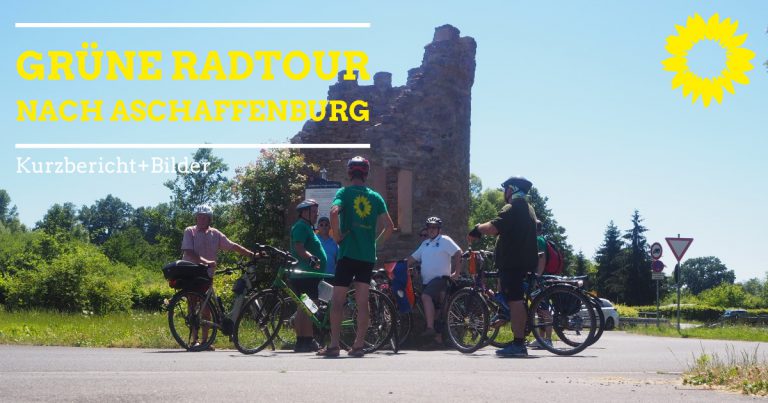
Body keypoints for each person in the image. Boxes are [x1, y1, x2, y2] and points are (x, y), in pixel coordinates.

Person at [317, 156, 394, 357]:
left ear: (350, 173)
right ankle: (358, 346)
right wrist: (374, 244)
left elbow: (334, 212)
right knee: (362, 301)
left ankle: (334, 345)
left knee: (338, 300)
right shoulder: (376, 197)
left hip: (348, 254)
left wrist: (338, 237)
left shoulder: (344, 192)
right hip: (366, 257)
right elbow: (389, 227)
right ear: (366, 174)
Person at [468, 176, 538, 357]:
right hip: (522, 261)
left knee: (515, 301)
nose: (503, 193)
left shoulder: (512, 207)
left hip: (513, 263)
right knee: (513, 299)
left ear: (511, 189)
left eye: (505, 189)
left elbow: (493, 227)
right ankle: (506, 317)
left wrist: (476, 228)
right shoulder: (528, 208)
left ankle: (518, 344)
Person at [181, 204, 255, 351]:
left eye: (204, 217)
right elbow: (188, 251)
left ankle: (205, 341)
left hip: (207, 274)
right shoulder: (190, 231)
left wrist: (252, 255)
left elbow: (233, 246)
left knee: (207, 308)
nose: (201, 219)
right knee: (192, 305)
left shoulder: (215, 233)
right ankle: (194, 340)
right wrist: (205, 261)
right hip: (191, 271)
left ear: (209, 219)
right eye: (199, 217)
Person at [407, 216, 462, 347]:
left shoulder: (444, 240)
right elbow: (412, 258)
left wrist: (457, 272)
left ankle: (430, 328)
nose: (431, 230)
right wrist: (397, 266)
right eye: (429, 227)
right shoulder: (425, 244)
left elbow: (458, 252)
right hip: (427, 282)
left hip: (440, 279)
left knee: (426, 297)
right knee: (437, 311)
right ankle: (438, 340)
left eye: (434, 227)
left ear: (439, 229)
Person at [289, 199, 327, 353]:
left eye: (316, 211)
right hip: (305, 275)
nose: (316, 214)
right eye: (313, 211)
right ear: (304, 212)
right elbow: (299, 247)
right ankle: (302, 341)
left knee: (307, 307)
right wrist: (311, 258)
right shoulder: (301, 227)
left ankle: (306, 340)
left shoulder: (307, 227)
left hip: (310, 275)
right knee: (304, 307)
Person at [528, 219, 552, 349]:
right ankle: (541, 339)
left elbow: (541, 259)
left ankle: (548, 339)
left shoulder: (538, 240)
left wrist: (537, 276)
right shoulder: (541, 239)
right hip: (540, 278)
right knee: (539, 309)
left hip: (539, 279)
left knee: (543, 309)